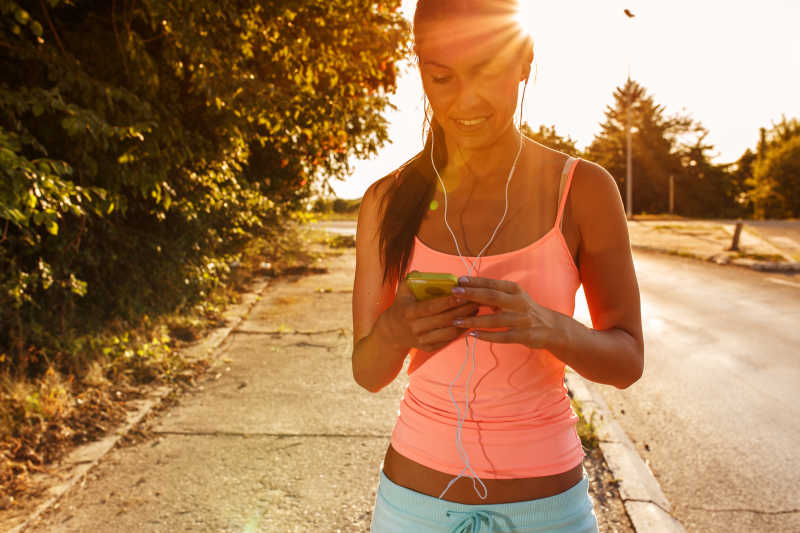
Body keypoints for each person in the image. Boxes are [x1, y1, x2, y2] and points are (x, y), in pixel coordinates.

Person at [352, 1, 644, 531]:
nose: (466, 99)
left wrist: (548, 327)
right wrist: (396, 330)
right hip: (411, 509)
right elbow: (367, 373)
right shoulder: (385, 201)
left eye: (486, 71)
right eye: (442, 78)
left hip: (547, 513)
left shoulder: (583, 191)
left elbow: (627, 361)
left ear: (524, 60)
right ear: (422, 73)